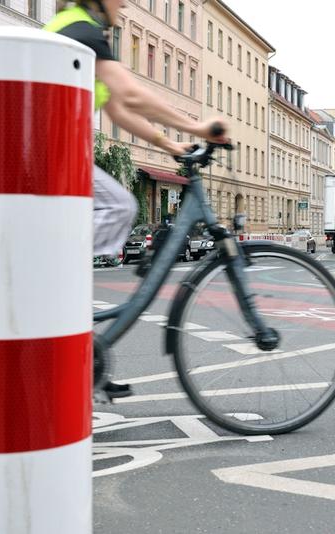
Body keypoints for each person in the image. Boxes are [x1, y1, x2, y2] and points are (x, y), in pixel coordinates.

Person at [45, 0, 229, 399]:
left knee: (113, 209)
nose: (125, 2)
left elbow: (117, 107)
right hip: (46, 155)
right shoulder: (81, 30)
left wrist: (168, 144)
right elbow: (130, 93)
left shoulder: (80, 30)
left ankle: (70, 330)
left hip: (52, 154)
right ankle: (47, 288)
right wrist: (197, 125)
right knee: (119, 206)